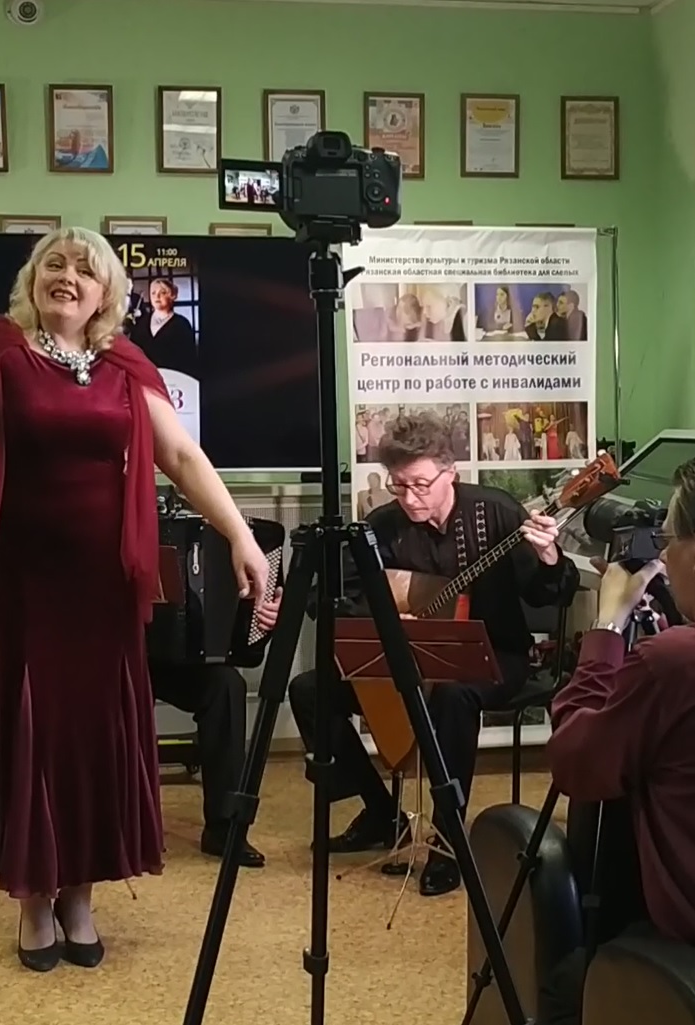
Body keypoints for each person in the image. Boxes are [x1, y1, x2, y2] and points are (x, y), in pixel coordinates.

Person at [0, 226, 271, 972]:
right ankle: (33, 899)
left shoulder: (123, 364)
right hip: (21, 583)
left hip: (103, 588)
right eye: (55, 263)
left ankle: (79, 893)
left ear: (107, 292)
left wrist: (240, 534)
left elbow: (181, 456)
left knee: (90, 737)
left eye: (85, 269)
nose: (68, 276)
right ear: (32, 278)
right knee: (34, 731)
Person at [286, 412, 577, 897]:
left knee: (454, 696)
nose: (409, 498)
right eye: (399, 485)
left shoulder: (497, 513)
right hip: (408, 659)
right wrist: (386, 616)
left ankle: (447, 838)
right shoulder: (383, 525)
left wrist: (550, 558)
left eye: (420, 484)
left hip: (494, 654)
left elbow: (552, 593)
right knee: (309, 691)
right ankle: (382, 813)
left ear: (451, 473)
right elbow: (332, 597)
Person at [537, 459, 695, 1025]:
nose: (664, 555)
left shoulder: (673, 662)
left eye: (669, 539)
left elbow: (575, 764)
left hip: (682, 935)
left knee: (565, 988)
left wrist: (608, 625)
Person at [149, 660, 272, 867]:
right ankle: (115, 826)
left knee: (226, 684)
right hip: (121, 658)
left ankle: (224, 830)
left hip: (180, 661)